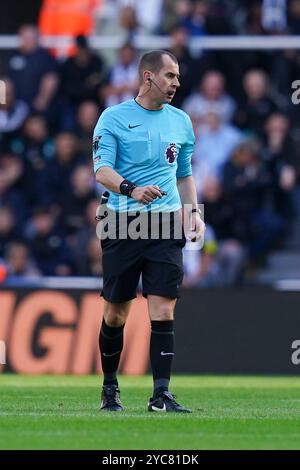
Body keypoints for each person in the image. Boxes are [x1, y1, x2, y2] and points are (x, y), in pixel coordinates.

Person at [93, 50, 205, 413]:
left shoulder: (181, 122)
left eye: (177, 76)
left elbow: (184, 173)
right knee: (116, 314)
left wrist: (194, 213)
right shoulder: (113, 118)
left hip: (165, 222)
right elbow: (101, 170)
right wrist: (131, 188)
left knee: (163, 309)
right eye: (170, 75)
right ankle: (110, 388)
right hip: (123, 222)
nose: (176, 83)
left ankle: (161, 395)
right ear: (147, 77)